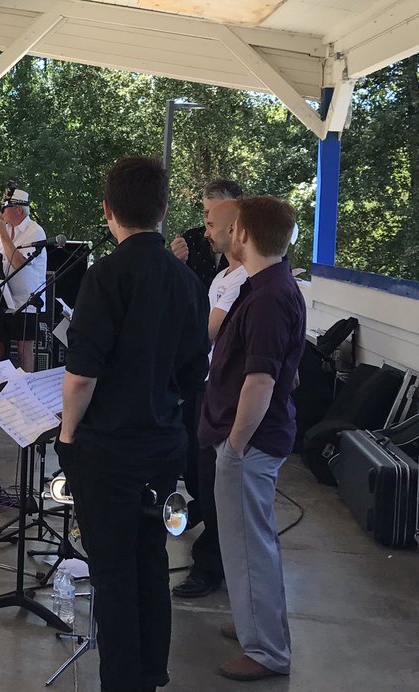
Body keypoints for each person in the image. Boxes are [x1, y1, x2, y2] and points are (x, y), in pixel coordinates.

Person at [56, 157, 209, 692]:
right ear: (164, 210)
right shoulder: (187, 281)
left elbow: (81, 375)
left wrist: (67, 435)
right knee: (151, 560)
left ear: (107, 212)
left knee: (112, 572)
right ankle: (151, 674)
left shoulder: (105, 277)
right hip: (164, 446)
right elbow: (195, 373)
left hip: (108, 452)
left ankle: (121, 681)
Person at [200, 196, 303, 682]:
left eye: (232, 228)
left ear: (243, 234)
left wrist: (236, 447)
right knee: (246, 542)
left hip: (249, 443)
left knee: (249, 544)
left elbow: (259, 380)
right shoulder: (268, 286)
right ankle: (253, 624)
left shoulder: (268, 297)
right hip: (249, 438)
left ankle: (266, 651)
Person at [173, 198, 246, 599]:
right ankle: (202, 518)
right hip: (202, 383)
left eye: (212, 223)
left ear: (237, 229)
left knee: (215, 477)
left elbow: (207, 331)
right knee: (197, 469)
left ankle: (210, 566)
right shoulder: (223, 277)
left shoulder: (242, 280)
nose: (206, 231)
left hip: (221, 392)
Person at [0, 188, 47, 371]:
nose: (2, 212)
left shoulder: (34, 231)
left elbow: (19, 263)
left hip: (26, 300)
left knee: (24, 347)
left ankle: (27, 387)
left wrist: (3, 234)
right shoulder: (5, 230)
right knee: (0, 344)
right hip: (4, 298)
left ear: (19, 209)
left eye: (5, 207)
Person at [171, 179, 244, 290]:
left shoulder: (250, 245)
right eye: (206, 213)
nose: (210, 220)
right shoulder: (190, 240)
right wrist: (177, 264)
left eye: (218, 213)